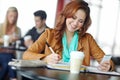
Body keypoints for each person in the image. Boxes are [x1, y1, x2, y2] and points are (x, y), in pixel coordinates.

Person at [23, 1, 114, 71]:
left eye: (80, 21)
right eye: (73, 18)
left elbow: (108, 62)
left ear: (84, 23)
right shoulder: (49, 34)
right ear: (66, 14)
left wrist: (107, 66)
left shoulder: (88, 39)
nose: (75, 23)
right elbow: (26, 55)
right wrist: (45, 58)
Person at [0, 7, 21, 80]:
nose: (13, 18)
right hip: (1, 53)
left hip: (12, 54)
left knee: (8, 63)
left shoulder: (18, 30)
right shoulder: (1, 27)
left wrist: (17, 39)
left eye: (15, 17)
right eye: (11, 16)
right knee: (10, 62)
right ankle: (13, 78)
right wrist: (8, 39)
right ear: (7, 16)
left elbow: (19, 43)